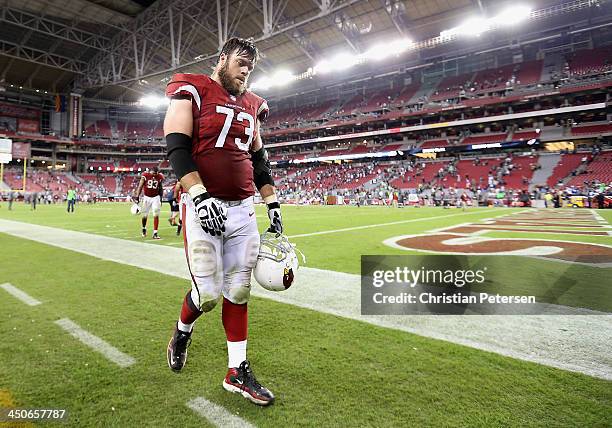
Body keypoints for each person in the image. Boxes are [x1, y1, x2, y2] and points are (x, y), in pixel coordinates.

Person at [164, 37, 282, 406]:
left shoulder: (252, 106)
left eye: (251, 65)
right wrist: (198, 196)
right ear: (221, 60)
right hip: (204, 206)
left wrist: (272, 201)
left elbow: (259, 159)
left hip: (243, 210)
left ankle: (237, 371)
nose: (246, 69)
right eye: (240, 62)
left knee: (239, 290)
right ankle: (183, 331)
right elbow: (177, 148)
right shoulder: (193, 90)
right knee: (209, 295)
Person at [133, 166, 164, 239]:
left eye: (156, 173)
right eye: (153, 173)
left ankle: (155, 233)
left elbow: (160, 188)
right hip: (146, 197)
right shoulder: (145, 175)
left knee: (156, 214)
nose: (154, 175)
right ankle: (144, 228)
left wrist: (160, 198)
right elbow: (140, 186)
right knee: (144, 215)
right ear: (150, 171)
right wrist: (137, 196)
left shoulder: (159, 176)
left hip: (156, 197)